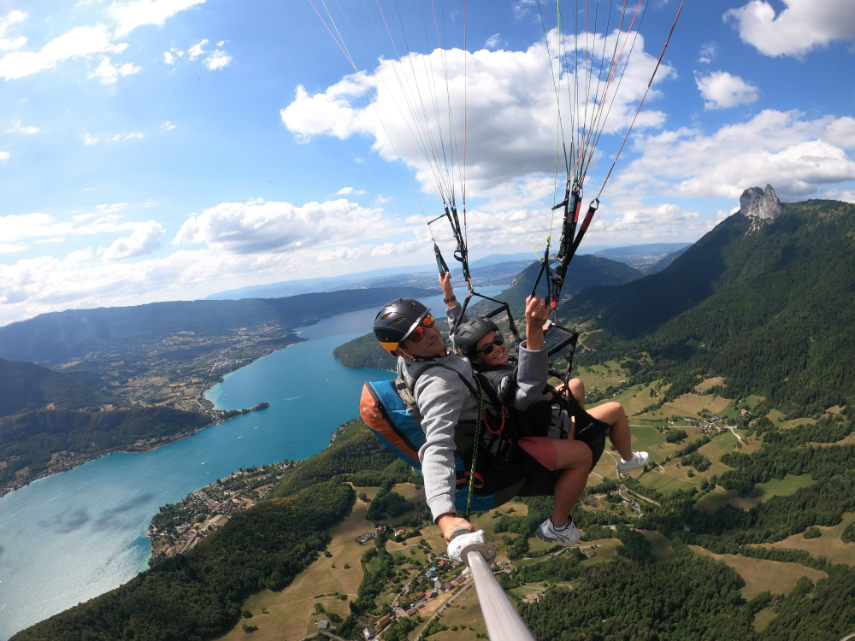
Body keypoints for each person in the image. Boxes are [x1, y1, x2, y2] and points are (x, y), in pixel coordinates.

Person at [373, 291, 594, 546]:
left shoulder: (412, 362)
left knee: (572, 390)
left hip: (494, 439)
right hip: (500, 456)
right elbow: (437, 446)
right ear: (401, 350)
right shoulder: (438, 384)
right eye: (418, 334)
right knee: (582, 453)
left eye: (428, 322)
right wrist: (444, 514)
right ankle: (559, 526)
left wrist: (451, 303)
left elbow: (459, 341)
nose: (431, 332)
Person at [440, 274, 649, 542]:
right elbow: (527, 390)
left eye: (499, 340)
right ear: (475, 356)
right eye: (488, 348)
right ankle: (559, 525)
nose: (497, 349)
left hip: (534, 419)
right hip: (523, 435)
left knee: (575, 385)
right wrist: (533, 329)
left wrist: (450, 300)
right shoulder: (494, 379)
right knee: (609, 418)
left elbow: (457, 336)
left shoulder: (469, 364)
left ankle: (573, 433)